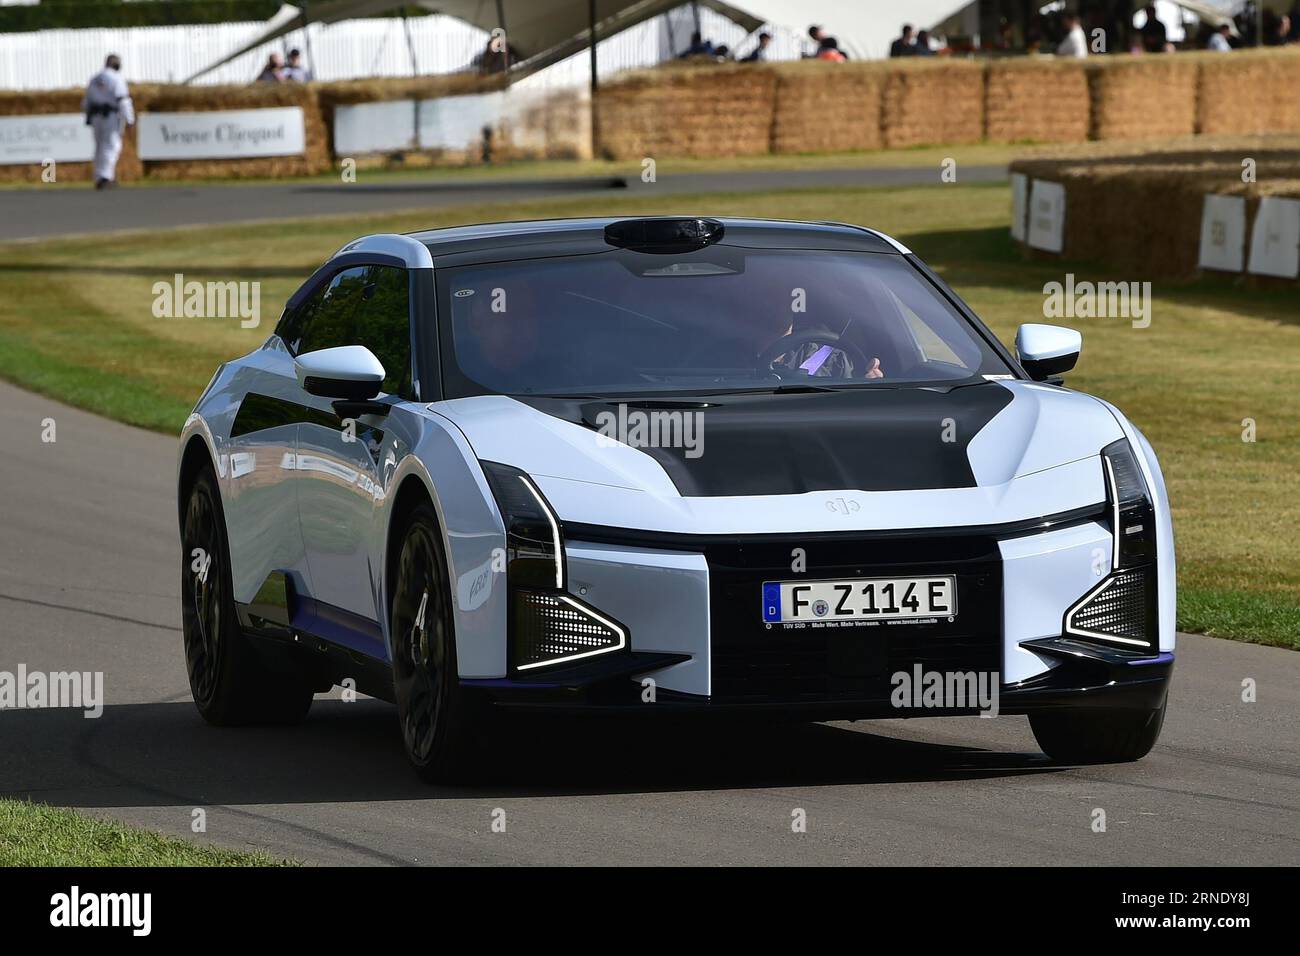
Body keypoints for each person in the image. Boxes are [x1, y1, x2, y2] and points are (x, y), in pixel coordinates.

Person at [81, 54, 134, 190]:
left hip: (96, 116)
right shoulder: (116, 78)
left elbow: (86, 101)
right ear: (117, 65)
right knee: (111, 146)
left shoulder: (95, 78)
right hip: (110, 116)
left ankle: (99, 176)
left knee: (99, 146)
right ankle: (105, 177)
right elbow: (123, 100)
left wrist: (88, 116)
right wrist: (130, 119)